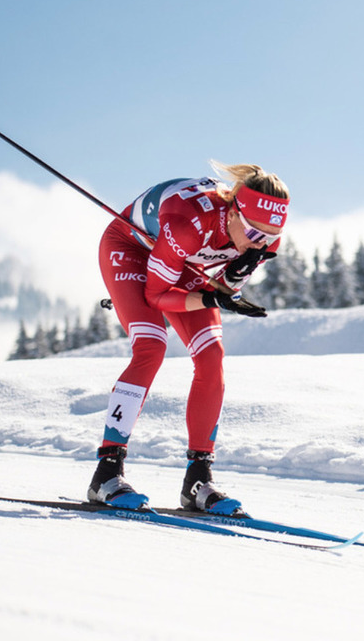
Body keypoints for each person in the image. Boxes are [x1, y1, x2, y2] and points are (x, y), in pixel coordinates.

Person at [87, 162, 289, 515]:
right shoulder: (189, 224)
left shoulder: (262, 234)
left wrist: (231, 280)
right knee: (152, 345)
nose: (261, 243)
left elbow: (224, 283)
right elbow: (156, 296)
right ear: (233, 211)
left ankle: (198, 479)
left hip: (185, 263)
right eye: (255, 234)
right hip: (133, 250)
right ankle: (106, 473)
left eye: (270, 237)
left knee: (212, 358)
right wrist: (213, 297)